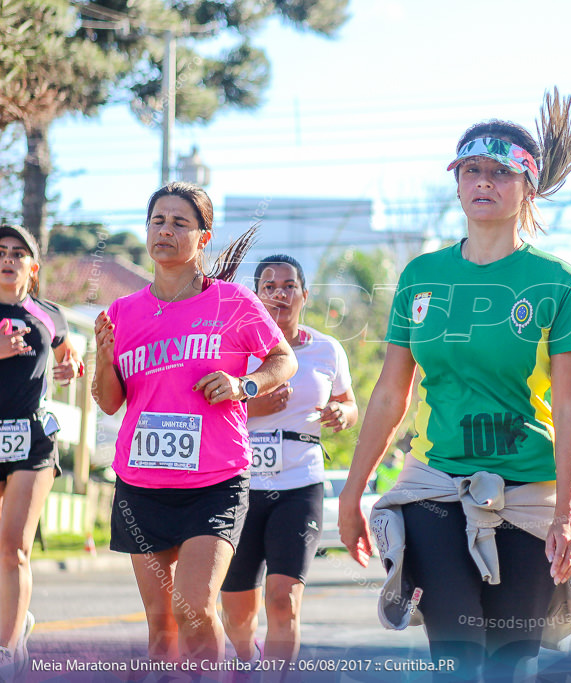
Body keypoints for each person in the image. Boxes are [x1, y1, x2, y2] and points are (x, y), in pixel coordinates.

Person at [338, 89, 571, 682]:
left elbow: (568, 407)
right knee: (456, 658)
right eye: (471, 171)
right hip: (436, 487)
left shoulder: (556, 282)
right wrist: (352, 490)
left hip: (530, 498)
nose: (484, 183)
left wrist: (568, 513)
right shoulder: (421, 277)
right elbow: (389, 395)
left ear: (526, 187)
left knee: (509, 664)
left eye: (500, 173)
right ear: (458, 183)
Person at [92, 183, 297, 664]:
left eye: (179, 223)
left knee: (196, 610)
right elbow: (108, 402)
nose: (165, 230)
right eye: (157, 221)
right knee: (161, 627)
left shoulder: (233, 303)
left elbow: (282, 359)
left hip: (214, 481)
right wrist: (104, 360)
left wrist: (244, 384)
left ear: (203, 238)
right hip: (141, 483)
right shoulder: (123, 312)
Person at [220, 254, 357, 663]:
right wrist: (253, 409)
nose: (280, 294)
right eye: (269, 287)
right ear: (256, 297)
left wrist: (342, 414)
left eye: (289, 286)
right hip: (239, 487)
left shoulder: (327, 350)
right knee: (237, 613)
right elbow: (205, 409)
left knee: (283, 599)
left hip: (300, 484)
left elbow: (350, 405)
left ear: (304, 295)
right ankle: (246, 659)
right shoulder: (236, 350)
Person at [0, 223, 84, 676]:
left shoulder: (49, 314)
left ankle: (7, 649)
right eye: (0, 251)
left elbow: (68, 355)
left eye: (18, 253)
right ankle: (15, 621)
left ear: (32, 269)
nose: (8, 258)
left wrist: (72, 365)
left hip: (32, 440)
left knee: (14, 547)